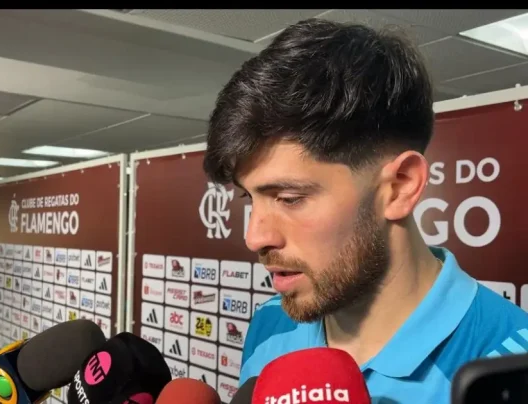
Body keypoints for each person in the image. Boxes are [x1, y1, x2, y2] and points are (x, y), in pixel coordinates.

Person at [203, 18, 528, 403]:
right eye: (249, 198)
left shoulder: (512, 362)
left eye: (289, 198)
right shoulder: (270, 321)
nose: (255, 237)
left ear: (400, 186)